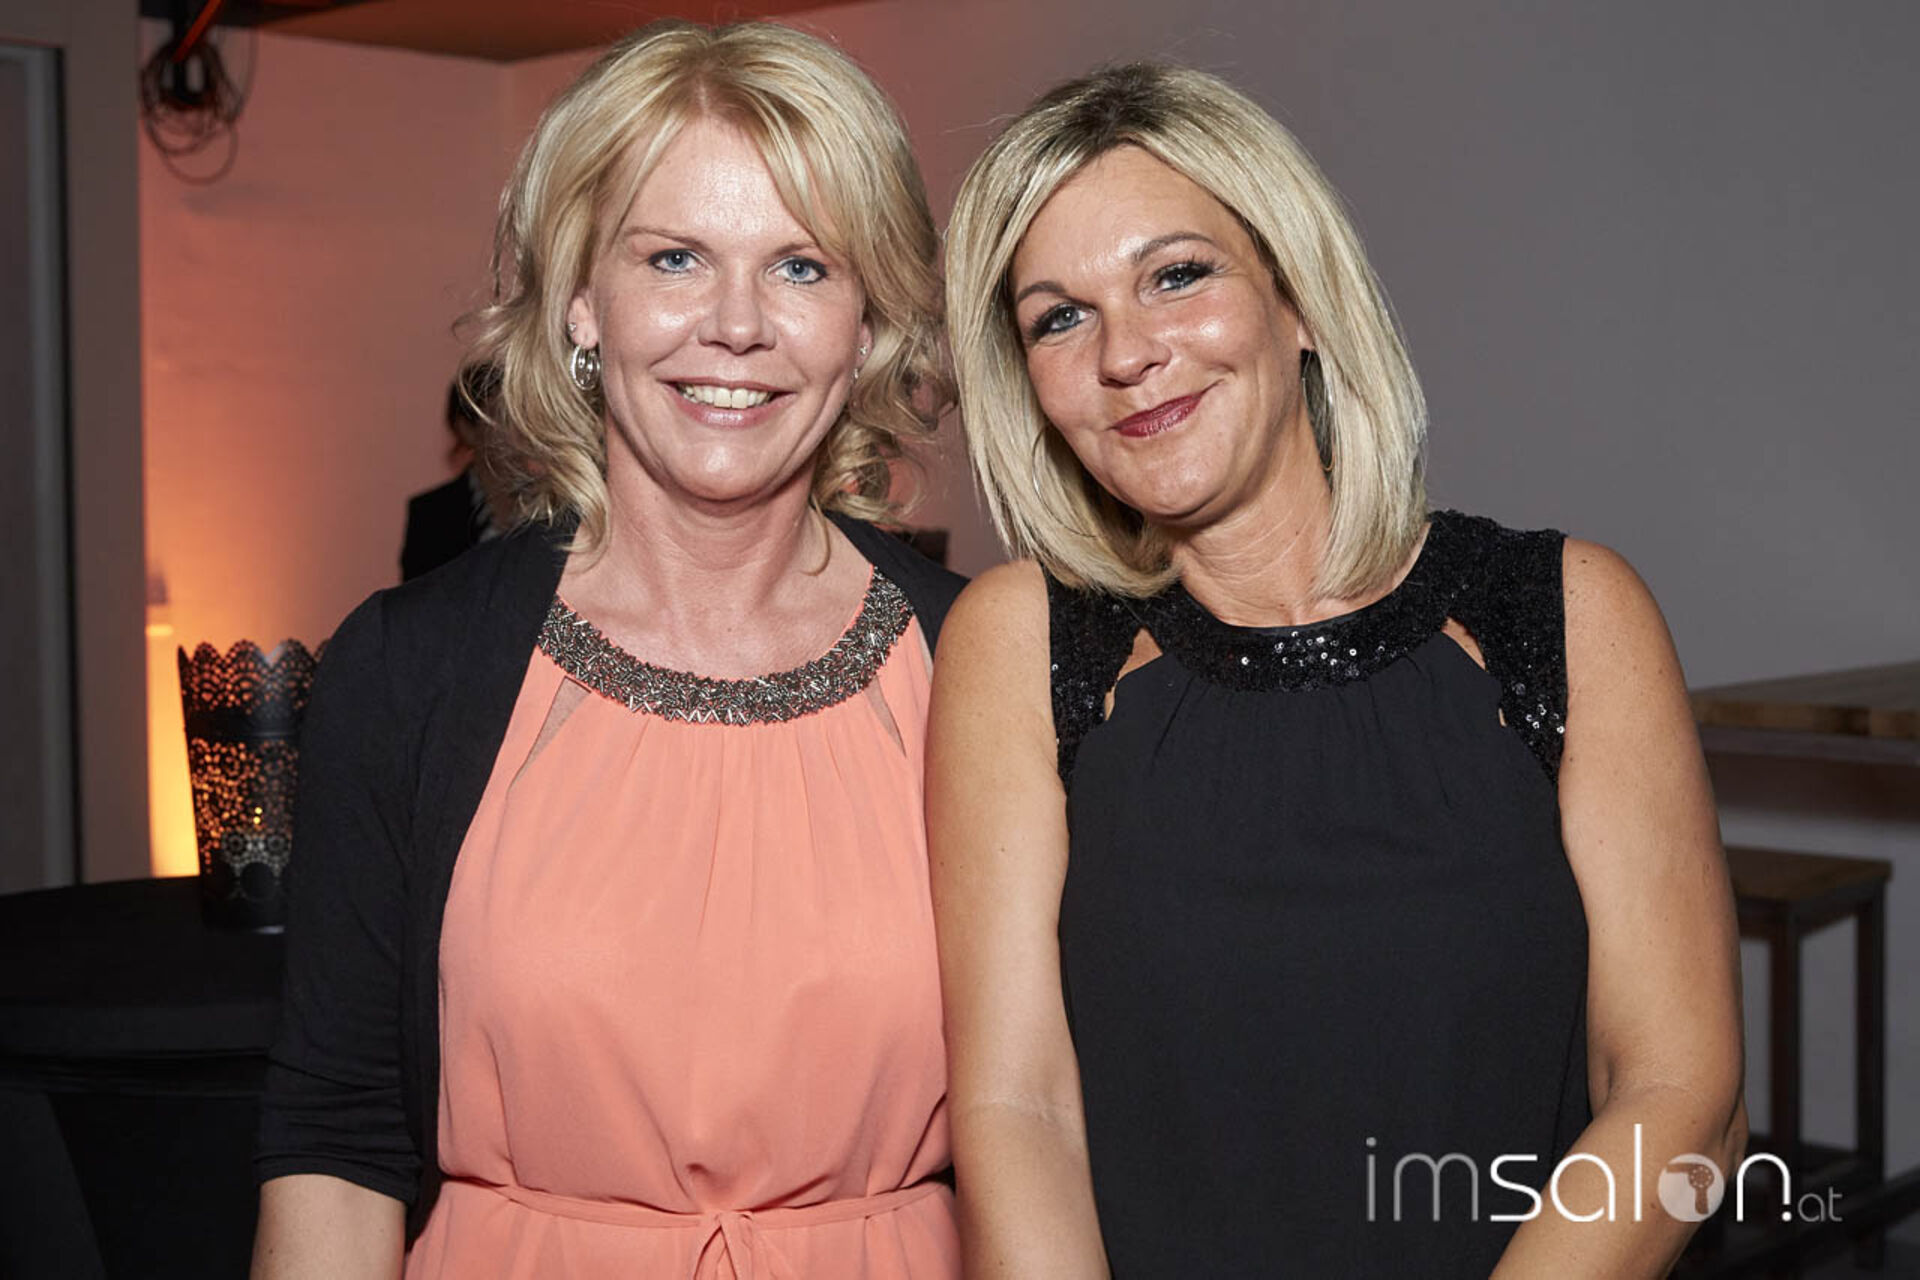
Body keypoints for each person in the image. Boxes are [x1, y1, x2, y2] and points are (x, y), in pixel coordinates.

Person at [931, 63, 1747, 1277]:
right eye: (1060, 317)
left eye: (1176, 274)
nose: (1126, 352)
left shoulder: (1568, 613)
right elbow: (1019, 1109)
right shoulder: (1019, 643)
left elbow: (1681, 1090)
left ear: (1299, 298)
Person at [252, 21, 962, 1279]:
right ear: (584, 297)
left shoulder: (978, 669)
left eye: (802, 266)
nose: (735, 325)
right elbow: (337, 1140)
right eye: (674, 257)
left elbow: (1062, 1115)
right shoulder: (409, 670)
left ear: (866, 325)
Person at [399, 365, 502, 582]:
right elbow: (419, 594)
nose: (519, 429)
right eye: (501, 416)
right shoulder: (432, 514)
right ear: (467, 429)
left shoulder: (548, 506)